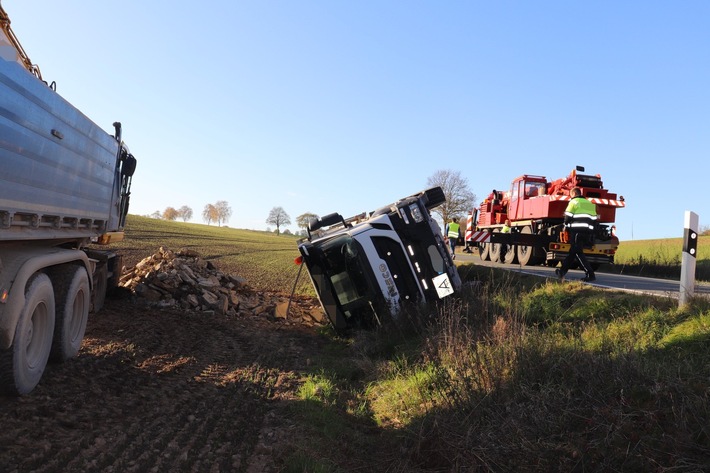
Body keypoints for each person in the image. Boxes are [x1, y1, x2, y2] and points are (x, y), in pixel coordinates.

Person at [556, 187, 598, 282]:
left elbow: (567, 217)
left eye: (571, 195)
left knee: (577, 252)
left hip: (576, 231)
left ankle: (590, 274)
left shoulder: (573, 202)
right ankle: (562, 272)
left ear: (574, 194)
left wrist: (565, 226)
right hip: (587, 232)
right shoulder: (590, 203)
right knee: (573, 252)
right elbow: (595, 219)